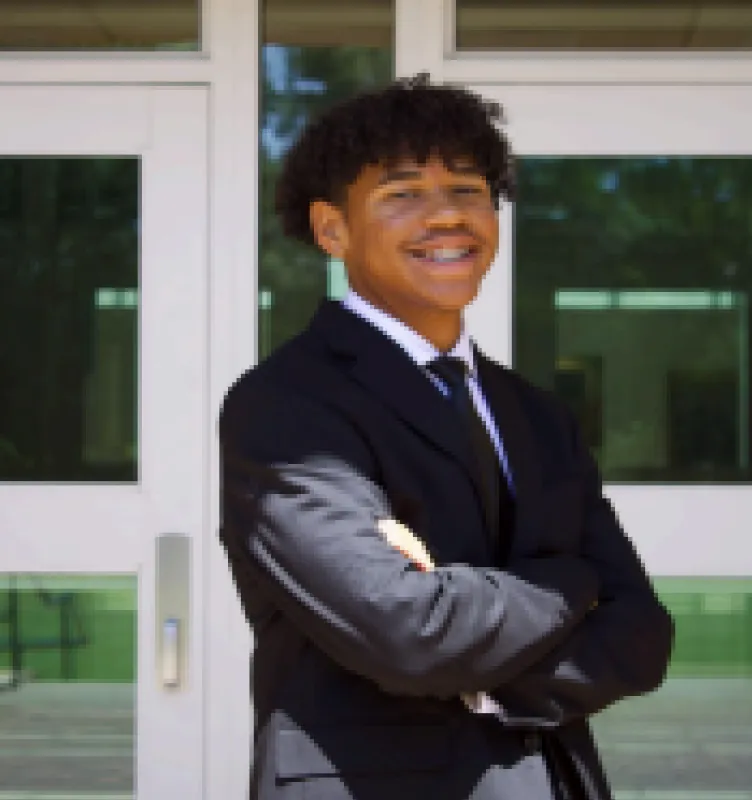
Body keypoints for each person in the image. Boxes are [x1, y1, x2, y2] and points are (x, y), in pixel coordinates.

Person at [219, 74, 674, 800]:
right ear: (333, 229)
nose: (446, 217)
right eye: (401, 195)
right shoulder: (285, 405)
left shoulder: (537, 413)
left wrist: (488, 679)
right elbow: (406, 631)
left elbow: (643, 635)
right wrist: (572, 582)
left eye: (467, 190)